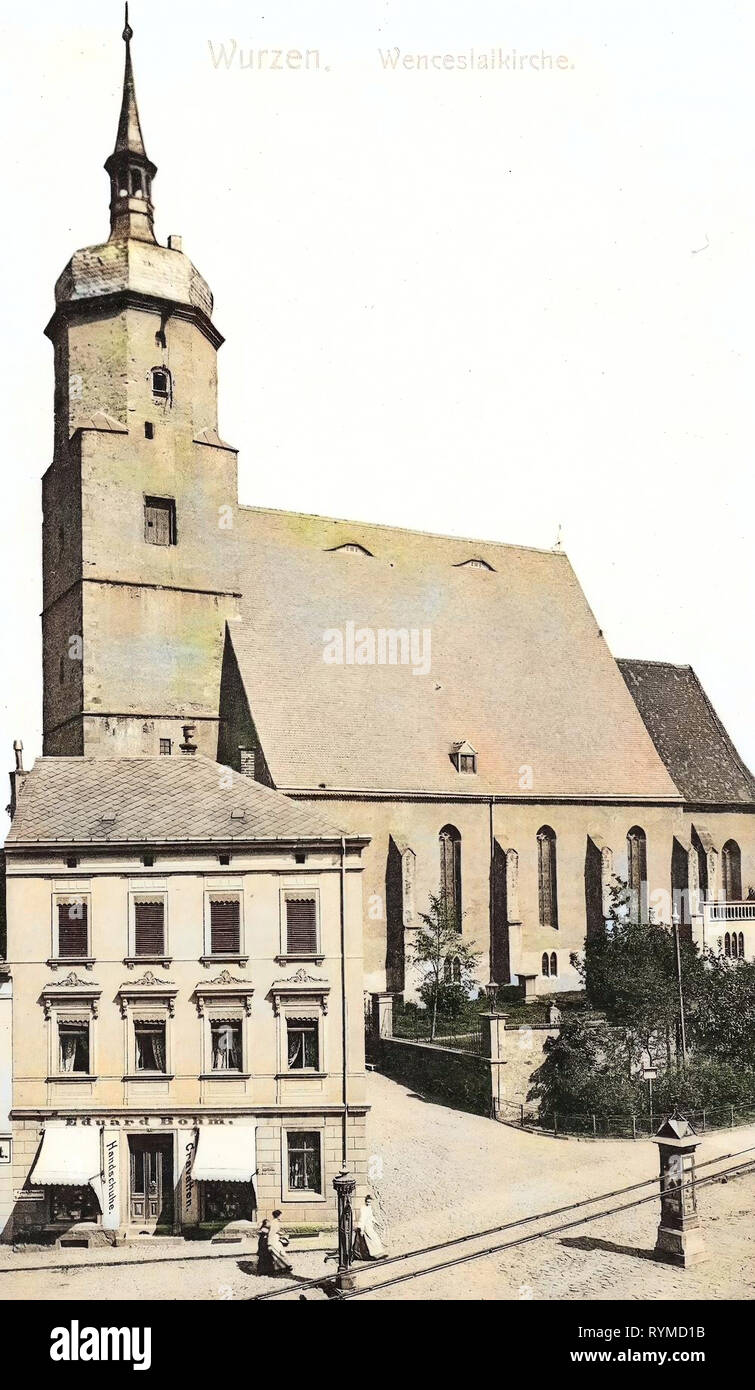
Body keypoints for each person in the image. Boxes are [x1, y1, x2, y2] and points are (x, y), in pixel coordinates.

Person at [352, 1194, 385, 1261]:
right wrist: (361, 1229)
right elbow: (362, 1219)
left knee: (374, 1238)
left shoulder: (369, 1208)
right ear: (365, 1201)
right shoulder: (363, 1208)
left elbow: (371, 1217)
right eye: (367, 1202)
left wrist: (377, 1223)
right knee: (371, 1239)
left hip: (370, 1225)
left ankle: (375, 1253)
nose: (368, 1203)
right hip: (365, 1226)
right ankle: (371, 1254)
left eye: (370, 1202)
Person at [267, 1209, 294, 1275]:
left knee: (279, 1253)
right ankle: (283, 1267)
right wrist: (269, 1243)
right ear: (278, 1216)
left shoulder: (275, 1222)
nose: (281, 1217)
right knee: (278, 1254)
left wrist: (279, 1233)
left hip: (276, 1239)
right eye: (281, 1215)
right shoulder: (274, 1223)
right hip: (273, 1240)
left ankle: (282, 1267)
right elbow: (271, 1233)